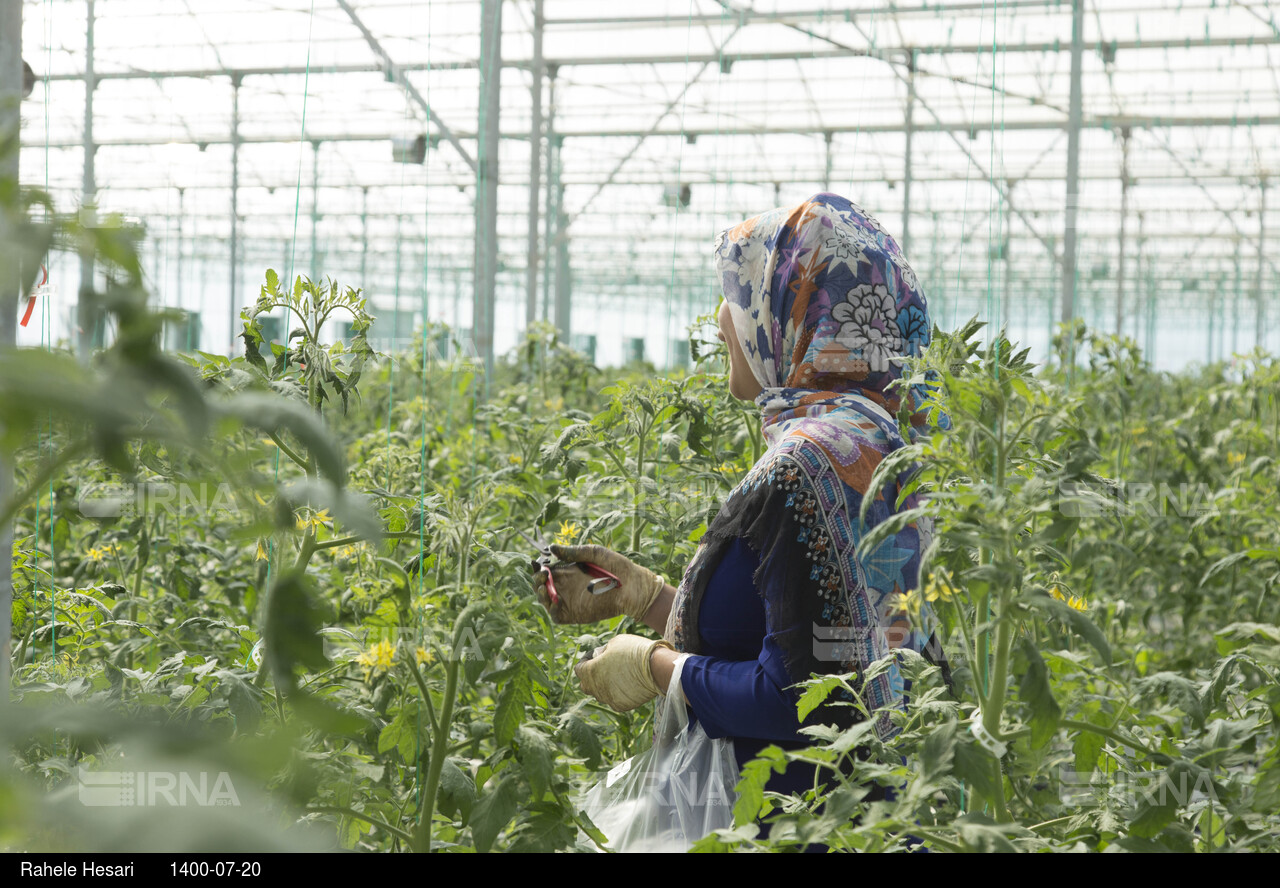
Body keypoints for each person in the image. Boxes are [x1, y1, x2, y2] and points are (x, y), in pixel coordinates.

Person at [535, 192, 945, 835]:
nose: (724, 318)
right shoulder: (882, 446)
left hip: (792, 828)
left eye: (737, 294)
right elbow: (821, 638)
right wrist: (645, 599)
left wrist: (657, 667)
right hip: (875, 823)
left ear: (794, 309)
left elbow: (800, 701)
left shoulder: (805, 466)